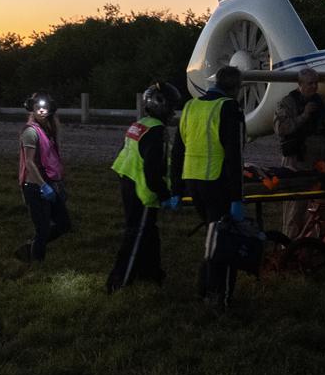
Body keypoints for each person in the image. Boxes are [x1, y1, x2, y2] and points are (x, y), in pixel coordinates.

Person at [172, 65, 250, 302]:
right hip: (217, 184)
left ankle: (204, 290)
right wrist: (237, 197)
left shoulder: (191, 106)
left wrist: (176, 189)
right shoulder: (229, 108)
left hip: (193, 183)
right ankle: (220, 298)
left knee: (212, 238)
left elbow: (177, 151)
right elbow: (234, 156)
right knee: (224, 244)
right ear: (236, 88)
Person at [107, 82, 178, 292]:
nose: (173, 112)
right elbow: (152, 171)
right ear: (161, 105)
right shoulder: (156, 131)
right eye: (172, 107)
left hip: (129, 182)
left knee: (149, 232)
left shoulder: (139, 124)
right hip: (143, 189)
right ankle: (118, 282)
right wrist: (164, 194)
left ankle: (151, 273)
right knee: (136, 234)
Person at [272, 68, 325, 237]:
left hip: (320, 162)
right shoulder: (288, 103)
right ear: (300, 85)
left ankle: (314, 245)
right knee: (295, 209)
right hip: (297, 162)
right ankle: (289, 246)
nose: (314, 87)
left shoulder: (323, 103)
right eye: (310, 83)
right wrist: (304, 116)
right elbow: (281, 128)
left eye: (316, 83)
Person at [16, 92, 71, 262]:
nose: (41, 110)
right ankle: (36, 264)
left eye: (45, 107)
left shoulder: (48, 131)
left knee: (64, 224)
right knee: (43, 230)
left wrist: (57, 184)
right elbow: (30, 163)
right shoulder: (30, 132)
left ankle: (32, 247)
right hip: (35, 187)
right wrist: (43, 186)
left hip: (50, 184)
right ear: (31, 108)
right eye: (37, 107)